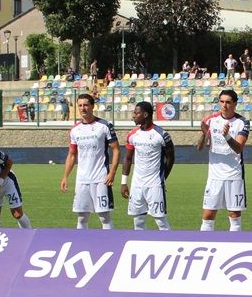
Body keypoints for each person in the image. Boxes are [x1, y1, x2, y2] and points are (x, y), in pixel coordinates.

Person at [61, 93, 121, 230]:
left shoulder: (104, 126)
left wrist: (112, 173)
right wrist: (65, 176)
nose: (83, 108)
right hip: (82, 179)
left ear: (93, 106)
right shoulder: (75, 130)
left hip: (101, 178)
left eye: (86, 105)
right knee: (82, 217)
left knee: (104, 216)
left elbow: (116, 150)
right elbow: (72, 155)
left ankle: (110, 242)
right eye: (80, 105)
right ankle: (81, 241)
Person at [197, 89, 250, 231]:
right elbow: (200, 147)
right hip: (214, 176)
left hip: (234, 175)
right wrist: (204, 134)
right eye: (221, 102)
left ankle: (234, 242)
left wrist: (227, 136)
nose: (224, 105)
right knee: (208, 215)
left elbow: (238, 148)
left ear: (235, 104)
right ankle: (205, 242)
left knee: (234, 215)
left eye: (228, 102)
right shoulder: (210, 120)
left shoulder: (242, 122)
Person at [120, 101, 175, 231]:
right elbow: (128, 158)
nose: (133, 115)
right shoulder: (132, 135)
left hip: (154, 185)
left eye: (136, 113)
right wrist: (123, 182)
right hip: (136, 185)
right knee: (138, 221)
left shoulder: (162, 135)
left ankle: (169, 242)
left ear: (145, 114)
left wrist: (162, 179)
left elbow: (170, 158)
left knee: (161, 221)